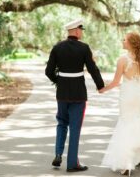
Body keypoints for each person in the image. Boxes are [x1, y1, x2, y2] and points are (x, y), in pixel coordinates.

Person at [100, 32, 140, 176]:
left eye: (124, 39)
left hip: (127, 95)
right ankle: (137, 157)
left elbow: (116, 82)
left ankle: (127, 163)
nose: (122, 41)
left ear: (130, 43)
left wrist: (103, 89)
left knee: (125, 125)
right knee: (138, 124)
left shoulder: (122, 60)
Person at [45, 19, 105, 172]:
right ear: (77, 31)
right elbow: (93, 69)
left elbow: (48, 71)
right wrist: (100, 85)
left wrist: (59, 81)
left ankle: (58, 154)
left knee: (61, 123)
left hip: (62, 93)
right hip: (78, 94)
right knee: (75, 128)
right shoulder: (84, 48)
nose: (82, 32)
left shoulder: (57, 47)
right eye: (81, 30)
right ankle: (72, 164)